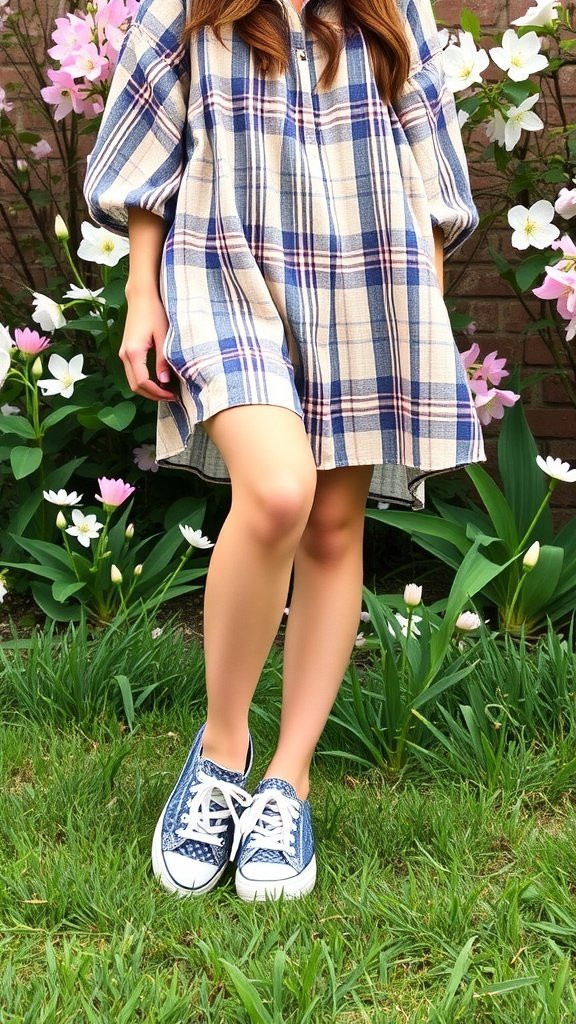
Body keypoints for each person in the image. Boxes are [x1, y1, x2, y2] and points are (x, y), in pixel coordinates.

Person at [83, 0, 485, 901]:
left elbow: (431, 168)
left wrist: (413, 315)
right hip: (222, 270)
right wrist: (141, 296)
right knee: (273, 494)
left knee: (336, 528)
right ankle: (222, 754)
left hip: (370, 276)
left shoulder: (389, 12)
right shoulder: (188, 12)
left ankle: (287, 782)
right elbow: (147, 155)